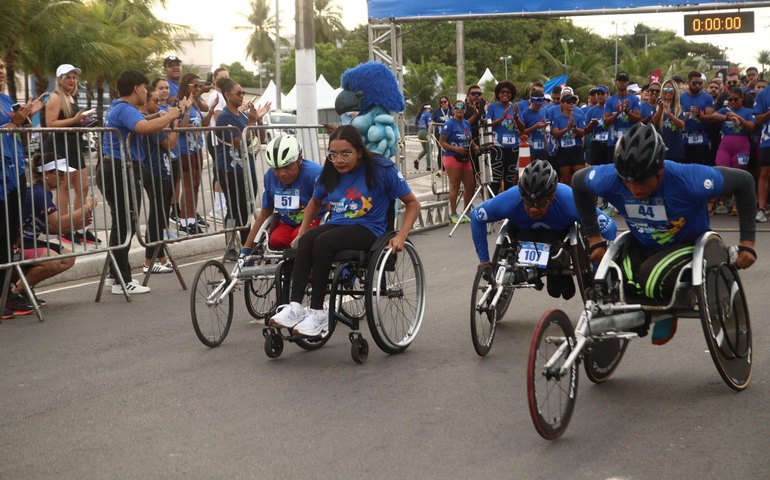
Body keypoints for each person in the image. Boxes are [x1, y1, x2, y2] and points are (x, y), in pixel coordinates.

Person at [572, 123, 757, 345]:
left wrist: (747, 243)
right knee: (625, 284)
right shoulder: (609, 177)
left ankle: (666, 311)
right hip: (641, 244)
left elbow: (744, 182)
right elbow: (578, 182)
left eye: (641, 182)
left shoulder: (690, 179)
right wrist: (594, 239)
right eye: (627, 182)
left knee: (651, 278)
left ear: (660, 170)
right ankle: (650, 310)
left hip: (686, 244)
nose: (635, 190)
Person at [269, 125, 420, 337]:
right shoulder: (330, 170)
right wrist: (302, 231)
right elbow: (315, 200)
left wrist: (401, 236)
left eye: (345, 154)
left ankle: (317, 313)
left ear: (359, 151)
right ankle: (294, 307)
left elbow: (413, 203)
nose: (339, 160)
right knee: (307, 241)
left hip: (370, 228)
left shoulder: (381, 169)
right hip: (339, 223)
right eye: (333, 154)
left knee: (324, 242)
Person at [470, 159, 616, 300]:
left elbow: (609, 227)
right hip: (522, 235)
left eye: (540, 203)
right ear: (522, 196)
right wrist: (484, 260)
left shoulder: (567, 199)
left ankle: (557, 271)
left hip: (558, 239)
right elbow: (476, 216)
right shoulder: (512, 197)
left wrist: (598, 273)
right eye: (528, 202)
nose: (533, 209)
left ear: (552, 197)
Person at [99, 69, 182, 295]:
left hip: (119, 169)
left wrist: (161, 116)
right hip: (118, 169)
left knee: (122, 222)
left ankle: (114, 275)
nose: (147, 92)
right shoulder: (124, 108)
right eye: (145, 88)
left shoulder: (124, 109)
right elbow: (143, 128)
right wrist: (170, 115)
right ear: (136, 88)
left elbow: (143, 121)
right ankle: (122, 280)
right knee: (125, 223)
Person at [17, 153, 97, 306]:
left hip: (29, 241)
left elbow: (50, 228)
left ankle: (25, 287)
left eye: (64, 174)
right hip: (18, 244)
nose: (63, 177)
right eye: (59, 174)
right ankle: (17, 292)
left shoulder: (45, 192)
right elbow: (58, 221)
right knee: (52, 260)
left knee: (68, 258)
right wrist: (87, 207)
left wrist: (77, 226)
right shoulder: (37, 193)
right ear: (46, 173)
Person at [1, 58, 45, 317]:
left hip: (15, 171)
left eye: (3, 68)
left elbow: (20, 134)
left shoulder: (6, 100)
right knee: (2, 236)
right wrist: (16, 123)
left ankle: (9, 294)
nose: (2, 72)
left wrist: (27, 118)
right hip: (1, 176)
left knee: (11, 236)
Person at [42, 64, 99, 245]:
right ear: (60, 79)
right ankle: (65, 228)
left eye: (74, 78)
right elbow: (50, 124)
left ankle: (80, 226)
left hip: (74, 144)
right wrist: (75, 120)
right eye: (68, 77)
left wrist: (83, 123)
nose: (72, 81)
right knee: (64, 188)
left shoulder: (70, 98)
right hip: (60, 146)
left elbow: (69, 122)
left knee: (83, 187)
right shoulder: (55, 97)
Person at [239, 134, 322, 254]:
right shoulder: (270, 176)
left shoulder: (313, 173)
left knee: (299, 239)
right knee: (276, 240)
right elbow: (264, 213)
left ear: (299, 159)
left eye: (287, 167)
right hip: (287, 222)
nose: (282, 174)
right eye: (276, 169)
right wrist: (247, 246)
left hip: (314, 220)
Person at [214, 78, 270, 246]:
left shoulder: (244, 115)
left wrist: (258, 120)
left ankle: (247, 244)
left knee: (246, 208)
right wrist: (251, 122)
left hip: (247, 168)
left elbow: (261, 137)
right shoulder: (224, 117)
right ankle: (232, 244)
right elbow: (239, 142)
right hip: (230, 169)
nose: (242, 96)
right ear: (227, 95)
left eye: (243, 92)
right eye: (239, 93)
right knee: (234, 208)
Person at [139, 87, 177, 274]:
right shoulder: (151, 122)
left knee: (160, 214)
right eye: (154, 100)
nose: (158, 103)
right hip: (153, 171)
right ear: (146, 102)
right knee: (156, 215)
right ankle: (148, 260)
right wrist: (173, 121)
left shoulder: (154, 119)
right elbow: (169, 143)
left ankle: (160, 256)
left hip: (161, 169)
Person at [711, 88, 755, 215]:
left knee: (739, 174)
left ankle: (737, 204)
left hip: (742, 146)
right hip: (725, 145)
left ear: (742, 99)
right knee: (721, 171)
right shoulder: (726, 110)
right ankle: (721, 203)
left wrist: (737, 118)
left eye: (735, 99)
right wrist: (727, 117)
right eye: (730, 99)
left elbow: (751, 126)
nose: (733, 102)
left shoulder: (748, 111)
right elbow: (713, 116)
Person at [176, 73, 207, 235]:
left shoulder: (195, 103)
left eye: (199, 85)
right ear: (186, 85)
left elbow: (206, 113)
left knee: (195, 185)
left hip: (196, 148)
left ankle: (192, 218)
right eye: (194, 85)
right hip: (184, 150)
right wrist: (186, 110)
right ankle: (184, 221)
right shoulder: (180, 102)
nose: (198, 88)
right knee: (188, 186)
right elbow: (181, 126)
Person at [439, 99, 477, 224]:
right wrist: (456, 149)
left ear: (465, 109)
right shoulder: (449, 124)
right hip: (452, 157)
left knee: (470, 186)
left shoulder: (466, 123)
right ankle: (453, 214)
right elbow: (442, 142)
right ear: (453, 109)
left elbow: (469, 138)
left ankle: (465, 212)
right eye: (457, 107)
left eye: (462, 107)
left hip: (465, 158)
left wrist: (475, 146)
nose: (459, 109)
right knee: (455, 185)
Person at [486, 81, 520, 193]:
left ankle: (508, 206)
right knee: (496, 179)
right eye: (502, 92)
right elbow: (487, 125)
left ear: (512, 94)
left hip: (513, 146)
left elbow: (522, 129)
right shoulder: (492, 107)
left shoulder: (515, 107)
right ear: (498, 94)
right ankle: (494, 205)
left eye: (508, 92)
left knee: (510, 179)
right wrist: (502, 118)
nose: (505, 94)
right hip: (497, 146)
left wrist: (516, 118)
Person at [550, 90, 588, 185]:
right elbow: (555, 133)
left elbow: (584, 132)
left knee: (579, 178)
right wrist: (567, 128)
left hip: (576, 149)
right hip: (563, 151)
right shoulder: (557, 118)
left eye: (573, 102)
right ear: (562, 104)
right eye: (568, 102)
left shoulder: (578, 116)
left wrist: (574, 128)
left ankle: (579, 198)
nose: (571, 104)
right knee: (566, 179)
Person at [603, 71, 641, 164]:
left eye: (624, 81)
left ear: (627, 83)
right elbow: (605, 121)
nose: (622, 83)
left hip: (630, 142)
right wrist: (618, 113)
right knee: (613, 169)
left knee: (630, 169)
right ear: (616, 83)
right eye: (620, 81)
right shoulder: (610, 101)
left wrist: (627, 112)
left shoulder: (634, 99)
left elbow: (638, 119)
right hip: (613, 143)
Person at [680, 70, 715, 165]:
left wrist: (699, 115)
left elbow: (710, 118)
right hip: (684, 139)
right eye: (695, 83)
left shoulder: (708, 98)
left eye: (700, 83)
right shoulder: (680, 98)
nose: (697, 86)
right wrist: (685, 117)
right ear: (688, 82)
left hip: (702, 140)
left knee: (699, 170)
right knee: (684, 169)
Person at [652, 79, 685, 163]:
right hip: (660, 150)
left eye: (671, 89)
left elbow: (681, 125)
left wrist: (670, 114)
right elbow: (655, 121)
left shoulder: (680, 108)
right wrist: (661, 109)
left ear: (675, 91)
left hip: (676, 150)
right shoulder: (657, 107)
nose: (668, 92)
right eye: (665, 89)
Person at [754, 82, 770, 222]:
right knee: (764, 173)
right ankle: (762, 209)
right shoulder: (764, 93)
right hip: (767, 139)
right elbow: (757, 119)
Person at [464, 85, 487, 175]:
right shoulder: (463, 108)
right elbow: (463, 125)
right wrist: (475, 115)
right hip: (469, 143)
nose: (477, 96)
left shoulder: (485, 105)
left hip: (484, 142)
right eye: (473, 94)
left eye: (479, 94)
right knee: (472, 171)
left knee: (485, 171)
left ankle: (483, 189)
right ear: (468, 95)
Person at [432, 96, 451, 172]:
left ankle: (449, 166)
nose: (443, 103)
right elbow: (432, 122)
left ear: (448, 102)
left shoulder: (452, 111)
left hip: (450, 134)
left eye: (445, 101)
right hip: (439, 134)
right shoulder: (437, 112)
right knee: (441, 150)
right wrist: (429, 133)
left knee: (449, 149)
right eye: (441, 102)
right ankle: (441, 168)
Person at [414, 104, 432, 170]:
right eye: (429, 109)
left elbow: (416, 124)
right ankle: (429, 167)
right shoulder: (428, 114)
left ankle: (417, 160)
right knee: (429, 150)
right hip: (426, 132)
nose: (430, 110)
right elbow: (429, 125)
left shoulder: (419, 115)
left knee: (425, 150)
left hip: (420, 133)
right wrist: (429, 134)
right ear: (427, 108)